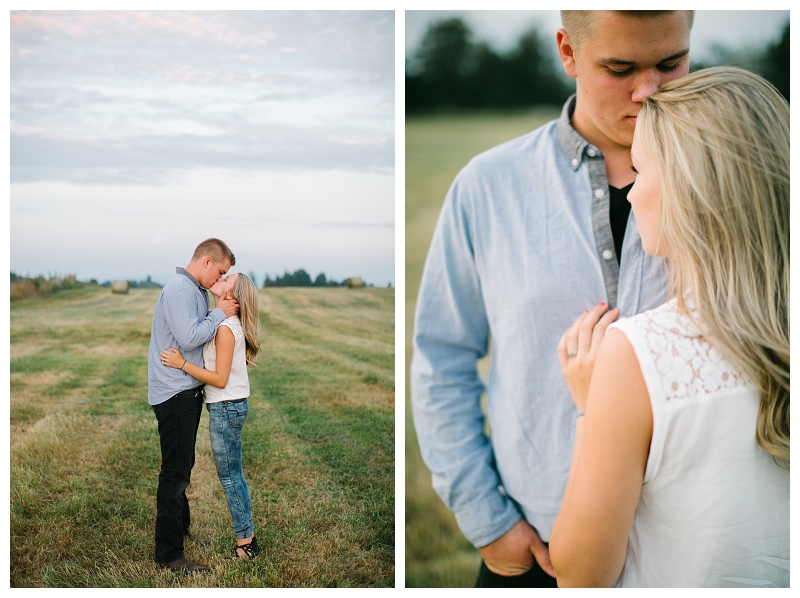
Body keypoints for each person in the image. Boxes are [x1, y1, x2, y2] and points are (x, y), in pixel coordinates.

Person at [410, 10, 694, 587]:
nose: (650, 92)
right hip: (538, 548)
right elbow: (441, 359)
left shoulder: (738, 183)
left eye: (671, 63)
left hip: (690, 558)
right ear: (567, 52)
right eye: (620, 68)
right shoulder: (486, 186)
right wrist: (487, 523)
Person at [550, 66, 789, 587]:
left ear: (689, 187)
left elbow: (579, 575)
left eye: (640, 170)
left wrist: (592, 407)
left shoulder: (637, 354)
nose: (631, 195)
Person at [148, 238, 239, 573]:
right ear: (206, 260)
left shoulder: (192, 289)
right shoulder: (181, 290)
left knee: (182, 465)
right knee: (175, 473)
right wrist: (219, 313)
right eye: (220, 271)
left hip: (183, 391)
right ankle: (170, 554)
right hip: (175, 394)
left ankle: (181, 531)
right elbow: (188, 338)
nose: (219, 279)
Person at [161, 272, 262, 559]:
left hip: (226, 404)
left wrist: (182, 364)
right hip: (229, 405)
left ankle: (247, 544)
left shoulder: (226, 329)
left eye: (228, 278)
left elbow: (219, 379)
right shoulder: (222, 322)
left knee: (231, 477)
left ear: (233, 295)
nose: (222, 276)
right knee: (233, 475)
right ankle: (247, 537)